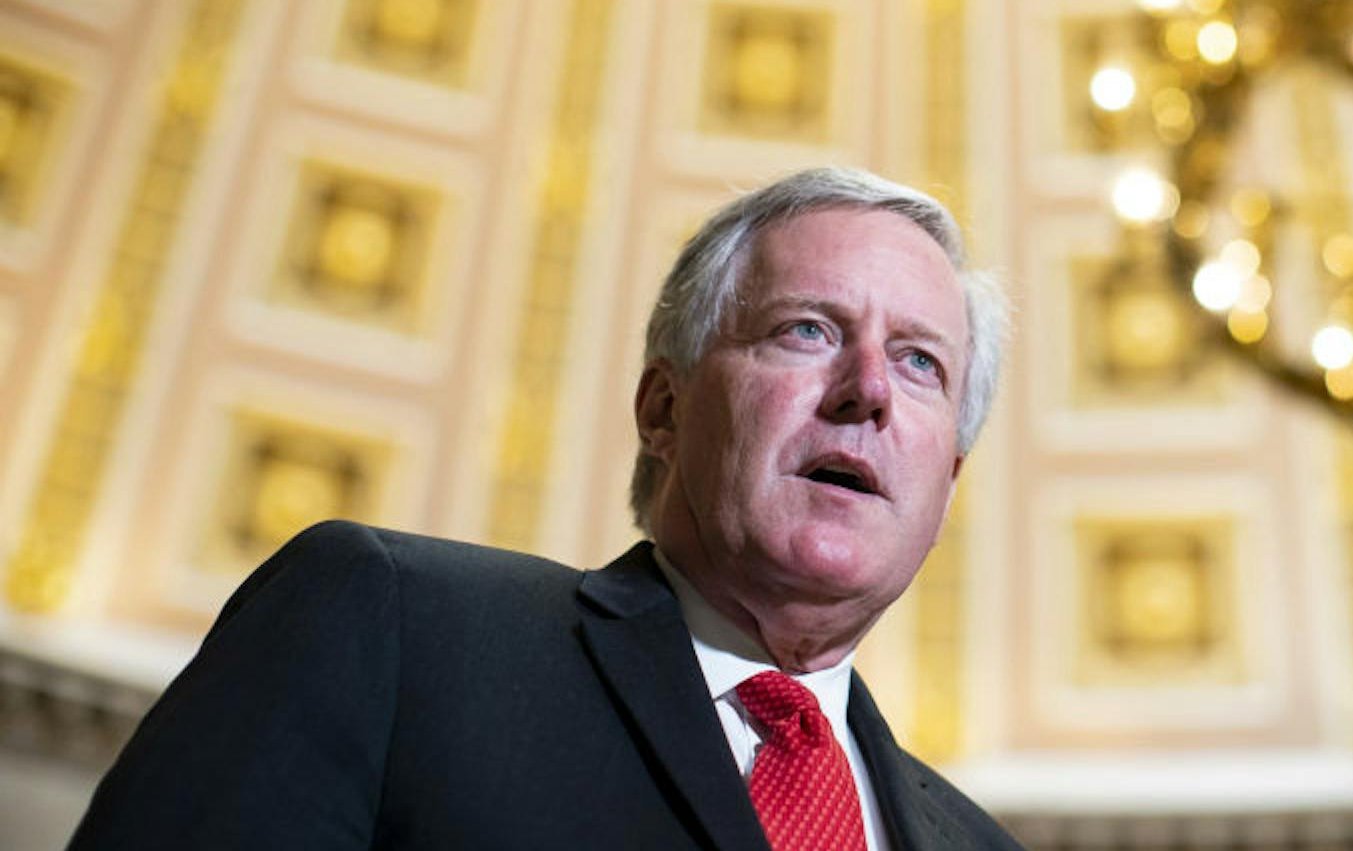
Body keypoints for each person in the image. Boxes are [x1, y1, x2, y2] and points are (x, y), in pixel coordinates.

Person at [69, 167, 1022, 851]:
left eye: (919, 362)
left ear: (948, 482)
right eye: (806, 330)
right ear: (664, 409)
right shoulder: (392, 627)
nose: (869, 391)